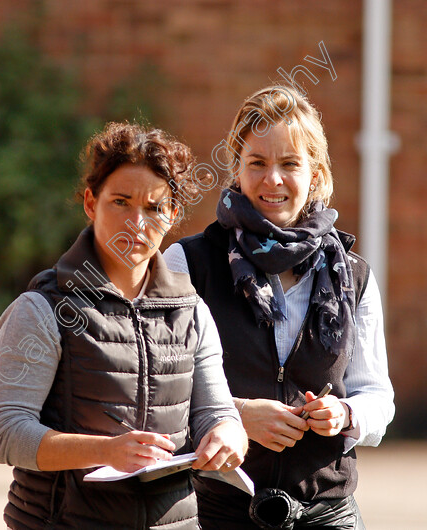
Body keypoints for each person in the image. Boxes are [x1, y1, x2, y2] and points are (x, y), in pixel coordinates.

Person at [0, 122, 248, 529]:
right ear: (91, 203)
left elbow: (217, 413)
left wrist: (228, 436)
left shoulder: (193, 311)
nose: (137, 224)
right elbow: (4, 432)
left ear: (173, 214)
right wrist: (105, 451)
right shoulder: (41, 309)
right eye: (121, 202)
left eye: (154, 207)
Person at [163, 85, 395, 529]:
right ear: (236, 170)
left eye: (290, 164)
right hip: (215, 511)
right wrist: (236, 415)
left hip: (326, 513)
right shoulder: (189, 263)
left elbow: (377, 397)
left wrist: (345, 415)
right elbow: (159, 390)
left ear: (317, 173)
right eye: (257, 163)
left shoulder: (354, 275)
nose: (273, 179)